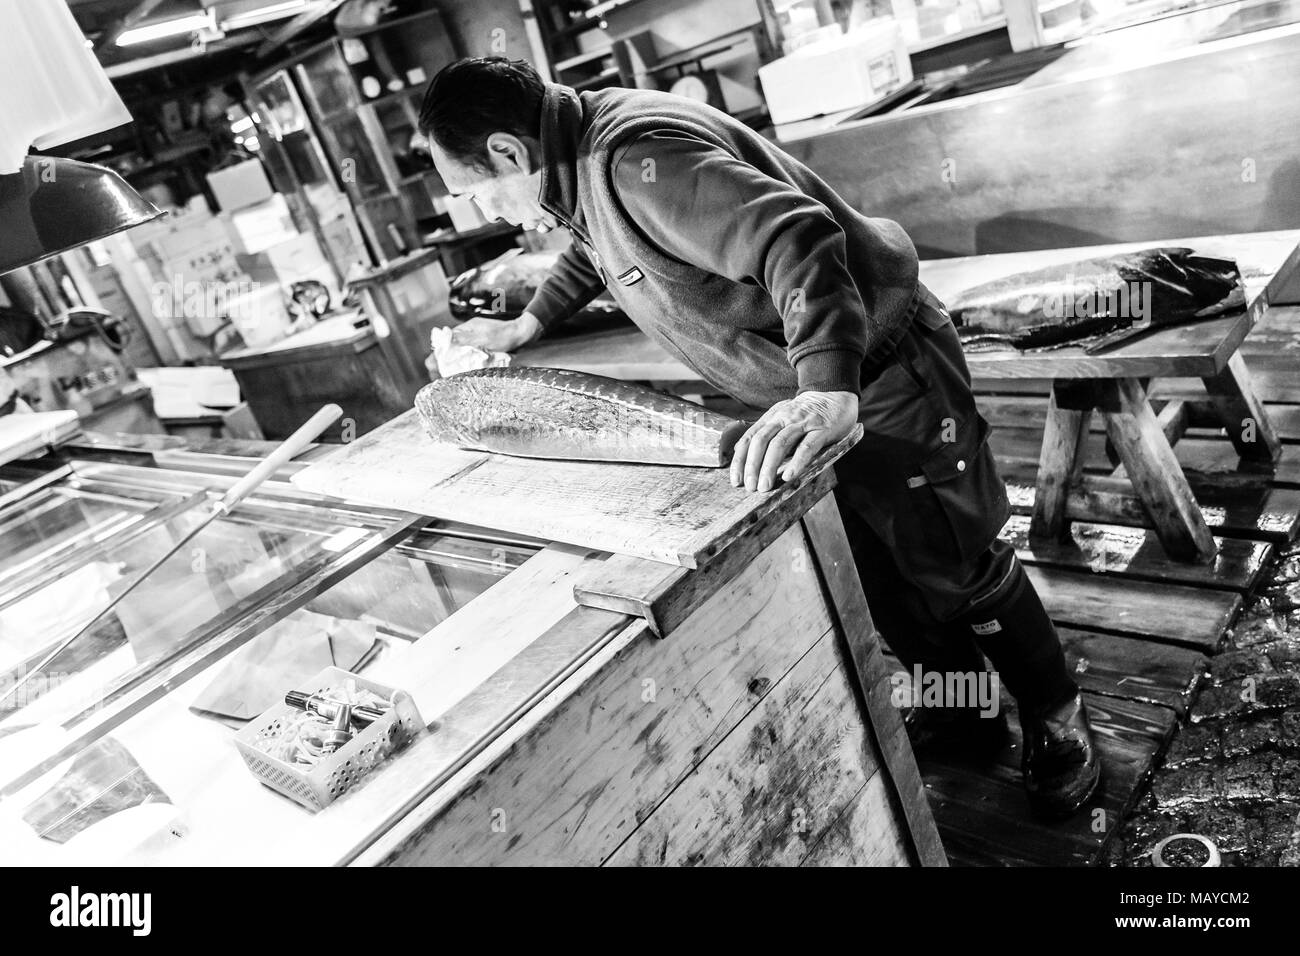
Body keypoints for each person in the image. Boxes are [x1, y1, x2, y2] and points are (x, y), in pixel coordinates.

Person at [419, 57, 1100, 817]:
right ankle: (965, 709)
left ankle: (1056, 712)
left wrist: (826, 387)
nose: (485, 211)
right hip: (814, 397)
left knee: (954, 562)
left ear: (511, 153)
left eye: (475, 192)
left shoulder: (636, 161)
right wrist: (531, 321)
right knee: (881, 576)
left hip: (877, 374)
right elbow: (592, 248)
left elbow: (796, 238)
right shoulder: (578, 163)